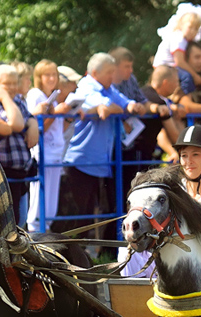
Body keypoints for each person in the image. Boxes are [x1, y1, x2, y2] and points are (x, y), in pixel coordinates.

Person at [119, 125, 201, 277]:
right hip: (170, 257)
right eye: (184, 155)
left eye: (196, 155)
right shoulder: (171, 191)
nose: (189, 161)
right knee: (127, 253)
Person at [53, 52, 145, 238]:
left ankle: (87, 254)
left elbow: (122, 104)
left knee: (91, 211)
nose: (113, 76)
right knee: (80, 213)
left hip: (97, 162)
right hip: (81, 161)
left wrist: (130, 106)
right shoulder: (87, 88)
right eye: (109, 72)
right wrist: (116, 108)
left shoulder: (107, 88)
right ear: (95, 72)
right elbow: (108, 108)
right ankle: (75, 255)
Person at [26, 60, 76, 232]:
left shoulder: (52, 98)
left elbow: (57, 130)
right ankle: (35, 230)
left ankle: (46, 228)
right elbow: (39, 128)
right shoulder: (35, 95)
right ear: (39, 77)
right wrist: (57, 114)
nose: (51, 78)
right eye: (47, 75)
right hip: (43, 151)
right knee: (40, 195)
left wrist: (69, 114)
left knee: (52, 197)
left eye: (54, 74)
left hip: (55, 150)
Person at [0, 64, 37, 224]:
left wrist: (33, 124)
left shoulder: (18, 101)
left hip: (21, 170)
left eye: (15, 83)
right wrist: (6, 98)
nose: (13, 87)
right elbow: (17, 124)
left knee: (21, 220)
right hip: (3, 170)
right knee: (9, 222)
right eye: (7, 84)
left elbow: (27, 116)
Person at [153, 4, 201, 87]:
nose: (193, 31)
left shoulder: (186, 40)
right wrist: (195, 75)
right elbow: (179, 62)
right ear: (181, 24)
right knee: (187, 76)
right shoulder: (178, 38)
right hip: (164, 68)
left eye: (196, 29)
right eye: (190, 27)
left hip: (171, 67)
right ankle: (183, 96)